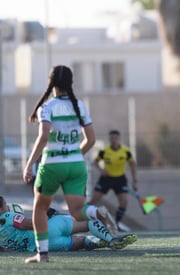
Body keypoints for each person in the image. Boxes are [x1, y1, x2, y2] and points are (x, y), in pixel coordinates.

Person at [22, 65, 118, 263]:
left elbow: (44, 136)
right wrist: (73, 154)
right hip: (76, 165)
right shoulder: (80, 106)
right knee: (77, 212)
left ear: (51, 84)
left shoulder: (46, 107)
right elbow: (90, 139)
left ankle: (43, 255)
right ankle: (96, 212)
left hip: (52, 165)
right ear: (71, 83)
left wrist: (30, 163)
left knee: (40, 209)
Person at [0, 195, 137, 252]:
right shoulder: (7, 216)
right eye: (5, 205)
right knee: (87, 222)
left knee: (82, 242)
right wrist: (46, 214)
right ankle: (111, 239)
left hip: (45, 247)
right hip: (48, 230)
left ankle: (102, 242)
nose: (7, 207)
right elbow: (31, 224)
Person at [88, 130, 139, 232]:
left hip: (120, 178)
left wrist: (135, 181)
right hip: (106, 178)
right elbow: (95, 162)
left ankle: (117, 223)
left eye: (115, 138)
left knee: (124, 201)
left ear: (119, 139)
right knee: (94, 199)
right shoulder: (104, 151)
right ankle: (84, 220)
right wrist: (101, 170)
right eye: (111, 138)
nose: (113, 140)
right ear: (109, 139)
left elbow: (132, 164)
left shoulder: (125, 151)